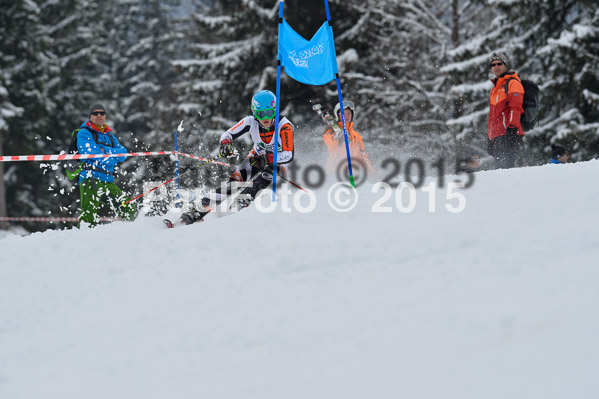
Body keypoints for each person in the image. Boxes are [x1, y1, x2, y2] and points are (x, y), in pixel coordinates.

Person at [178, 90, 294, 225]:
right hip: (256, 156)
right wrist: (225, 145)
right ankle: (199, 210)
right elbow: (226, 135)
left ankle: (242, 202)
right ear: (254, 113)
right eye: (260, 114)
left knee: (268, 174)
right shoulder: (250, 122)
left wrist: (268, 159)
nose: (265, 118)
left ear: (275, 110)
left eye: (269, 113)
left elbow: (288, 154)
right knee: (235, 182)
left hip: (279, 161)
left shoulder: (285, 126)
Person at [76, 103, 137, 227]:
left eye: (102, 113)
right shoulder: (84, 133)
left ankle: (128, 235)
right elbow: (94, 154)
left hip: (108, 181)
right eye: (95, 113)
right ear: (90, 116)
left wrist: (105, 150)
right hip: (90, 179)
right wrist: (113, 158)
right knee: (88, 217)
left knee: (129, 207)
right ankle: (81, 242)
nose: (99, 115)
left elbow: (124, 153)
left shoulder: (110, 135)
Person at [487, 52, 525, 169]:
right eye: (493, 65)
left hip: (509, 133)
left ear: (505, 65)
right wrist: (490, 136)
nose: (496, 67)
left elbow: (516, 106)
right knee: (500, 170)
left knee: (507, 169)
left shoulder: (513, 83)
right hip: (497, 135)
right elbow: (493, 116)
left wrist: (512, 127)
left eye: (499, 63)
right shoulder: (494, 89)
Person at [322, 100, 376, 179]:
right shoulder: (330, 132)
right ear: (338, 115)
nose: (346, 116)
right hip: (333, 173)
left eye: (349, 113)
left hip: (352, 175)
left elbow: (363, 157)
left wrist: (371, 173)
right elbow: (330, 144)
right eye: (343, 114)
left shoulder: (357, 136)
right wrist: (337, 136)